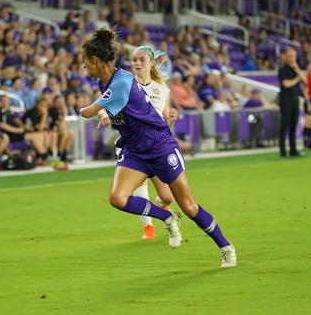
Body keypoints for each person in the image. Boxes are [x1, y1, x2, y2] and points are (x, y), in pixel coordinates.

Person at [79, 28, 236, 268]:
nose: (83, 67)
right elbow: (108, 108)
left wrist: (91, 110)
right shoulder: (107, 84)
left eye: (84, 62)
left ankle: (226, 247)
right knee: (117, 198)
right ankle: (167, 217)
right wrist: (104, 112)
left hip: (160, 146)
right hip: (134, 150)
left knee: (189, 206)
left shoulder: (121, 80)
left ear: (95, 60)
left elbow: (86, 111)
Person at [114, 45, 178, 240]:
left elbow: (165, 119)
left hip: (156, 148)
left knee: (167, 197)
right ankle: (148, 228)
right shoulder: (126, 85)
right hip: (133, 147)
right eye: (134, 60)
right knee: (135, 191)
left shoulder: (163, 90)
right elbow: (104, 103)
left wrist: (171, 118)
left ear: (151, 63)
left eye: (142, 60)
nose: (137, 63)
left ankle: (162, 208)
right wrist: (102, 114)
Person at [277, 47, 307, 157]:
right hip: (286, 101)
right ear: (285, 57)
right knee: (285, 126)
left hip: (295, 100)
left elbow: (305, 80)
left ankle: (293, 149)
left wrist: (298, 70)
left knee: (294, 126)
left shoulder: (296, 69)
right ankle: (283, 151)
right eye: (290, 56)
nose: (292, 58)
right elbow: (286, 84)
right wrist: (297, 79)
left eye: (294, 56)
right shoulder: (283, 70)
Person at [49, 94, 75, 164]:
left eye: (62, 102)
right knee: (65, 133)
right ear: (55, 102)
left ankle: (65, 153)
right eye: (58, 102)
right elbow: (57, 124)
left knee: (71, 133)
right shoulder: (52, 111)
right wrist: (65, 114)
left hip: (60, 129)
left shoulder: (62, 111)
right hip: (52, 130)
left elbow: (64, 124)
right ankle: (60, 154)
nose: (60, 104)